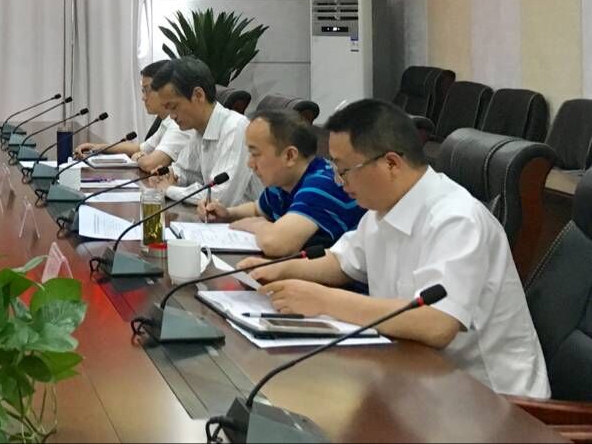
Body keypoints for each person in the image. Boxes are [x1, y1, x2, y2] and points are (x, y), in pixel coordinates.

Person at [241, 99, 550, 399]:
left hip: (490, 401)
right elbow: (341, 262)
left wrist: (322, 300)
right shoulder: (381, 210)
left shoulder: (457, 219)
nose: (338, 181)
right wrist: (279, 269)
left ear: (391, 163)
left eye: (344, 170)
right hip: (415, 376)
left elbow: (436, 323)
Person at [198, 109, 364, 256]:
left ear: (289, 156)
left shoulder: (321, 185)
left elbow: (276, 244)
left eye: (255, 154)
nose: (250, 163)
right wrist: (227, 214)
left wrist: (258, 226)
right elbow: (258, 209)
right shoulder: (284, 182)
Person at [148, 56, 259, 206]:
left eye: (173, 107)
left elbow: (219, 197)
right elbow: (185, 171)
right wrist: (169, 175)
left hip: (248, 218)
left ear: (198, 95)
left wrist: (169, 189)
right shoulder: (199, 129)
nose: (172, 116)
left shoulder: (236, 128)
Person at [75, 60, 190, 175]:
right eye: (143, 91)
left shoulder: (178, 124)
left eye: (147, 90)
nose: (143, 98)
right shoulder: (167, 121)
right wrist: (98, 147)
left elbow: (150, 164)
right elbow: (140, 149)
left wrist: (137, 157)